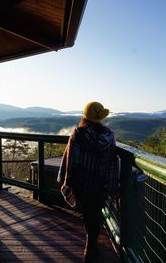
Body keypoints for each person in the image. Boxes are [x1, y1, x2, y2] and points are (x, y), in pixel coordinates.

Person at [58, 101, 119, 262]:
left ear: (85, 115)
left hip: (83, 182)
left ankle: (89, 246)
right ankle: (91, 245)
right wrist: (111, 183)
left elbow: (72, 159)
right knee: (96, 213)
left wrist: (68, 181)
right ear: (101, 117)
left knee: (87, 215)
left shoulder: (79, 133)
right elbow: (112, 161)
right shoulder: (109, 135)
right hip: (101, 183)